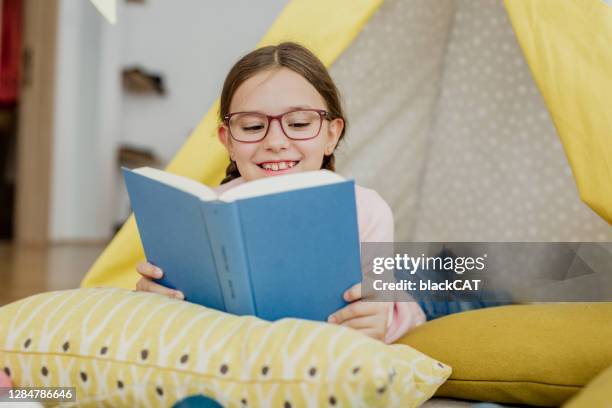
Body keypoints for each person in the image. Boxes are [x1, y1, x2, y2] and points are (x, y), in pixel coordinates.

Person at [135, 42, 426, 344]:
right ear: (229, 142)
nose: (275, 141)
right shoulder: (204, 214)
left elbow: (371, 319)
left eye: (299, 123)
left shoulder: (367, 210)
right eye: (252, 126)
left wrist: (374, 317)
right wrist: (154, 293)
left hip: (407, 303)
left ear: (331, 134)